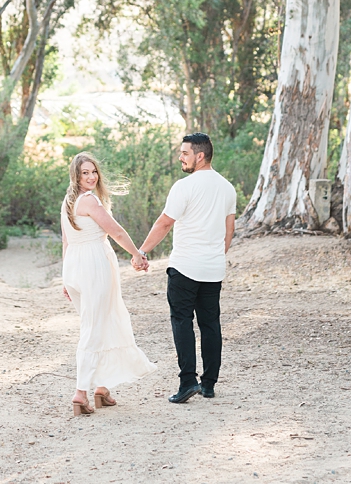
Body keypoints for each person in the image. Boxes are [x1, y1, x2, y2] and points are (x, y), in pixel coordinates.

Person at [138, 132, 237, 404]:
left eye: (184, 153)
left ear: (200, 155)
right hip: (213, 269)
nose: (180, 157)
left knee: (182, 321)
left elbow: (164, 223)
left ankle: (187, 382)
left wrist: (142, 251)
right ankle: (208, 384)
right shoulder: (227, 188)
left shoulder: (184, 186)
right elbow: (229, 231)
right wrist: (216, 254)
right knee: (210, 324)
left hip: (184, 267)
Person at [59, 151, 157, 416]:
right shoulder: (89, 201)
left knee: (102, 322)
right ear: (76, 176)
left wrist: (66, 278)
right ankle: (80, 393)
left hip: (76, 267)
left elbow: (66, 242)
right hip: (93, 266)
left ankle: (102, 389)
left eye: (94, 171)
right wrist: (137, 255)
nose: (91, 177)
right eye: (85, 173)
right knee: (93, 327)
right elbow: (116, 231)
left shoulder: (68, 202)